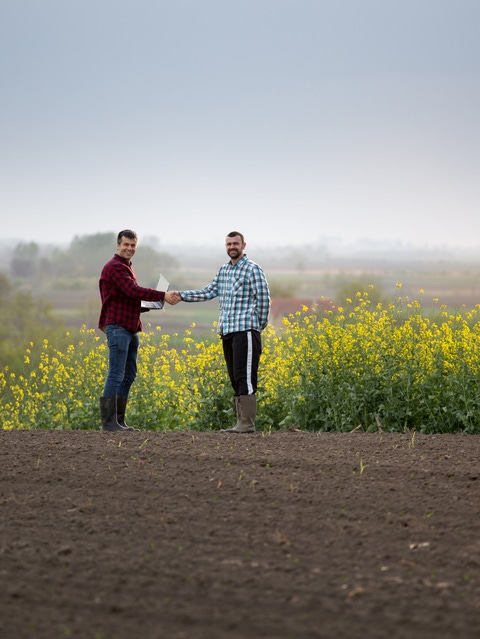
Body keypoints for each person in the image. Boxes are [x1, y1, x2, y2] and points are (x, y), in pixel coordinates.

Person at [170, 231, 270, 433]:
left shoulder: (253, 269)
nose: (232, 247)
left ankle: (247, 423)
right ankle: (240, 423)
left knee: (246, 376)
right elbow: (208, 292)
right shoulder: (224, 270)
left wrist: (257, 325)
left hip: (246, 331)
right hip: (228, 331)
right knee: (234, 376)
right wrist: (181, 295)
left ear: (244, 245)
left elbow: (264, 300)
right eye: (228, 244)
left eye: (235, 243)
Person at [98, 229, 178, 432]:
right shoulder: (114, 267)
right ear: (118, 245)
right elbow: (133, 291)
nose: (129, 248)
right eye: (126, 244)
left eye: (133, 245)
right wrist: (162, 295)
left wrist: (153, 304)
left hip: (130, 327)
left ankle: (119, 421)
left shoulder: (126, 268)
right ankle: (109, 424)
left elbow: (129, 298)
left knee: (129, 375)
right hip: (118, 327)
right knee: (116, 374)